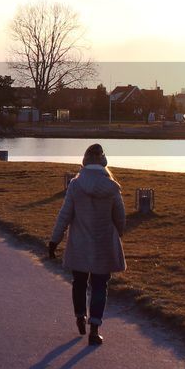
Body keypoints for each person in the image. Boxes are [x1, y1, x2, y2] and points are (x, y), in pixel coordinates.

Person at [47, 143, 126, 345]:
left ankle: (80, 315)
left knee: (79, 282)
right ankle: (95, 328)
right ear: (103, 163)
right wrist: (119, 234)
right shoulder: (111, 187)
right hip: (103, 244)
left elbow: (65, 215)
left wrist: (55, 240)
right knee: (100, 285)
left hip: (80, 243)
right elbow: (120, 216)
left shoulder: (76, 184)